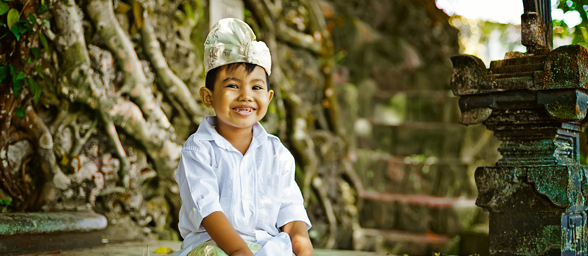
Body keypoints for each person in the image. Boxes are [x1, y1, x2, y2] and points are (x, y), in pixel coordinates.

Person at [174, 18, 313, 256]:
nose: (246, 96)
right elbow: (207, 210)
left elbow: (291, 213)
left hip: (266, 247)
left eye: (256, 87)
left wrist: (302, 247)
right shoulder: (198, 150)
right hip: (214, 246)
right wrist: (239, 251)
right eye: (233, 86)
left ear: (268, 98)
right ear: (208, 97)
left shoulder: (277, 154)